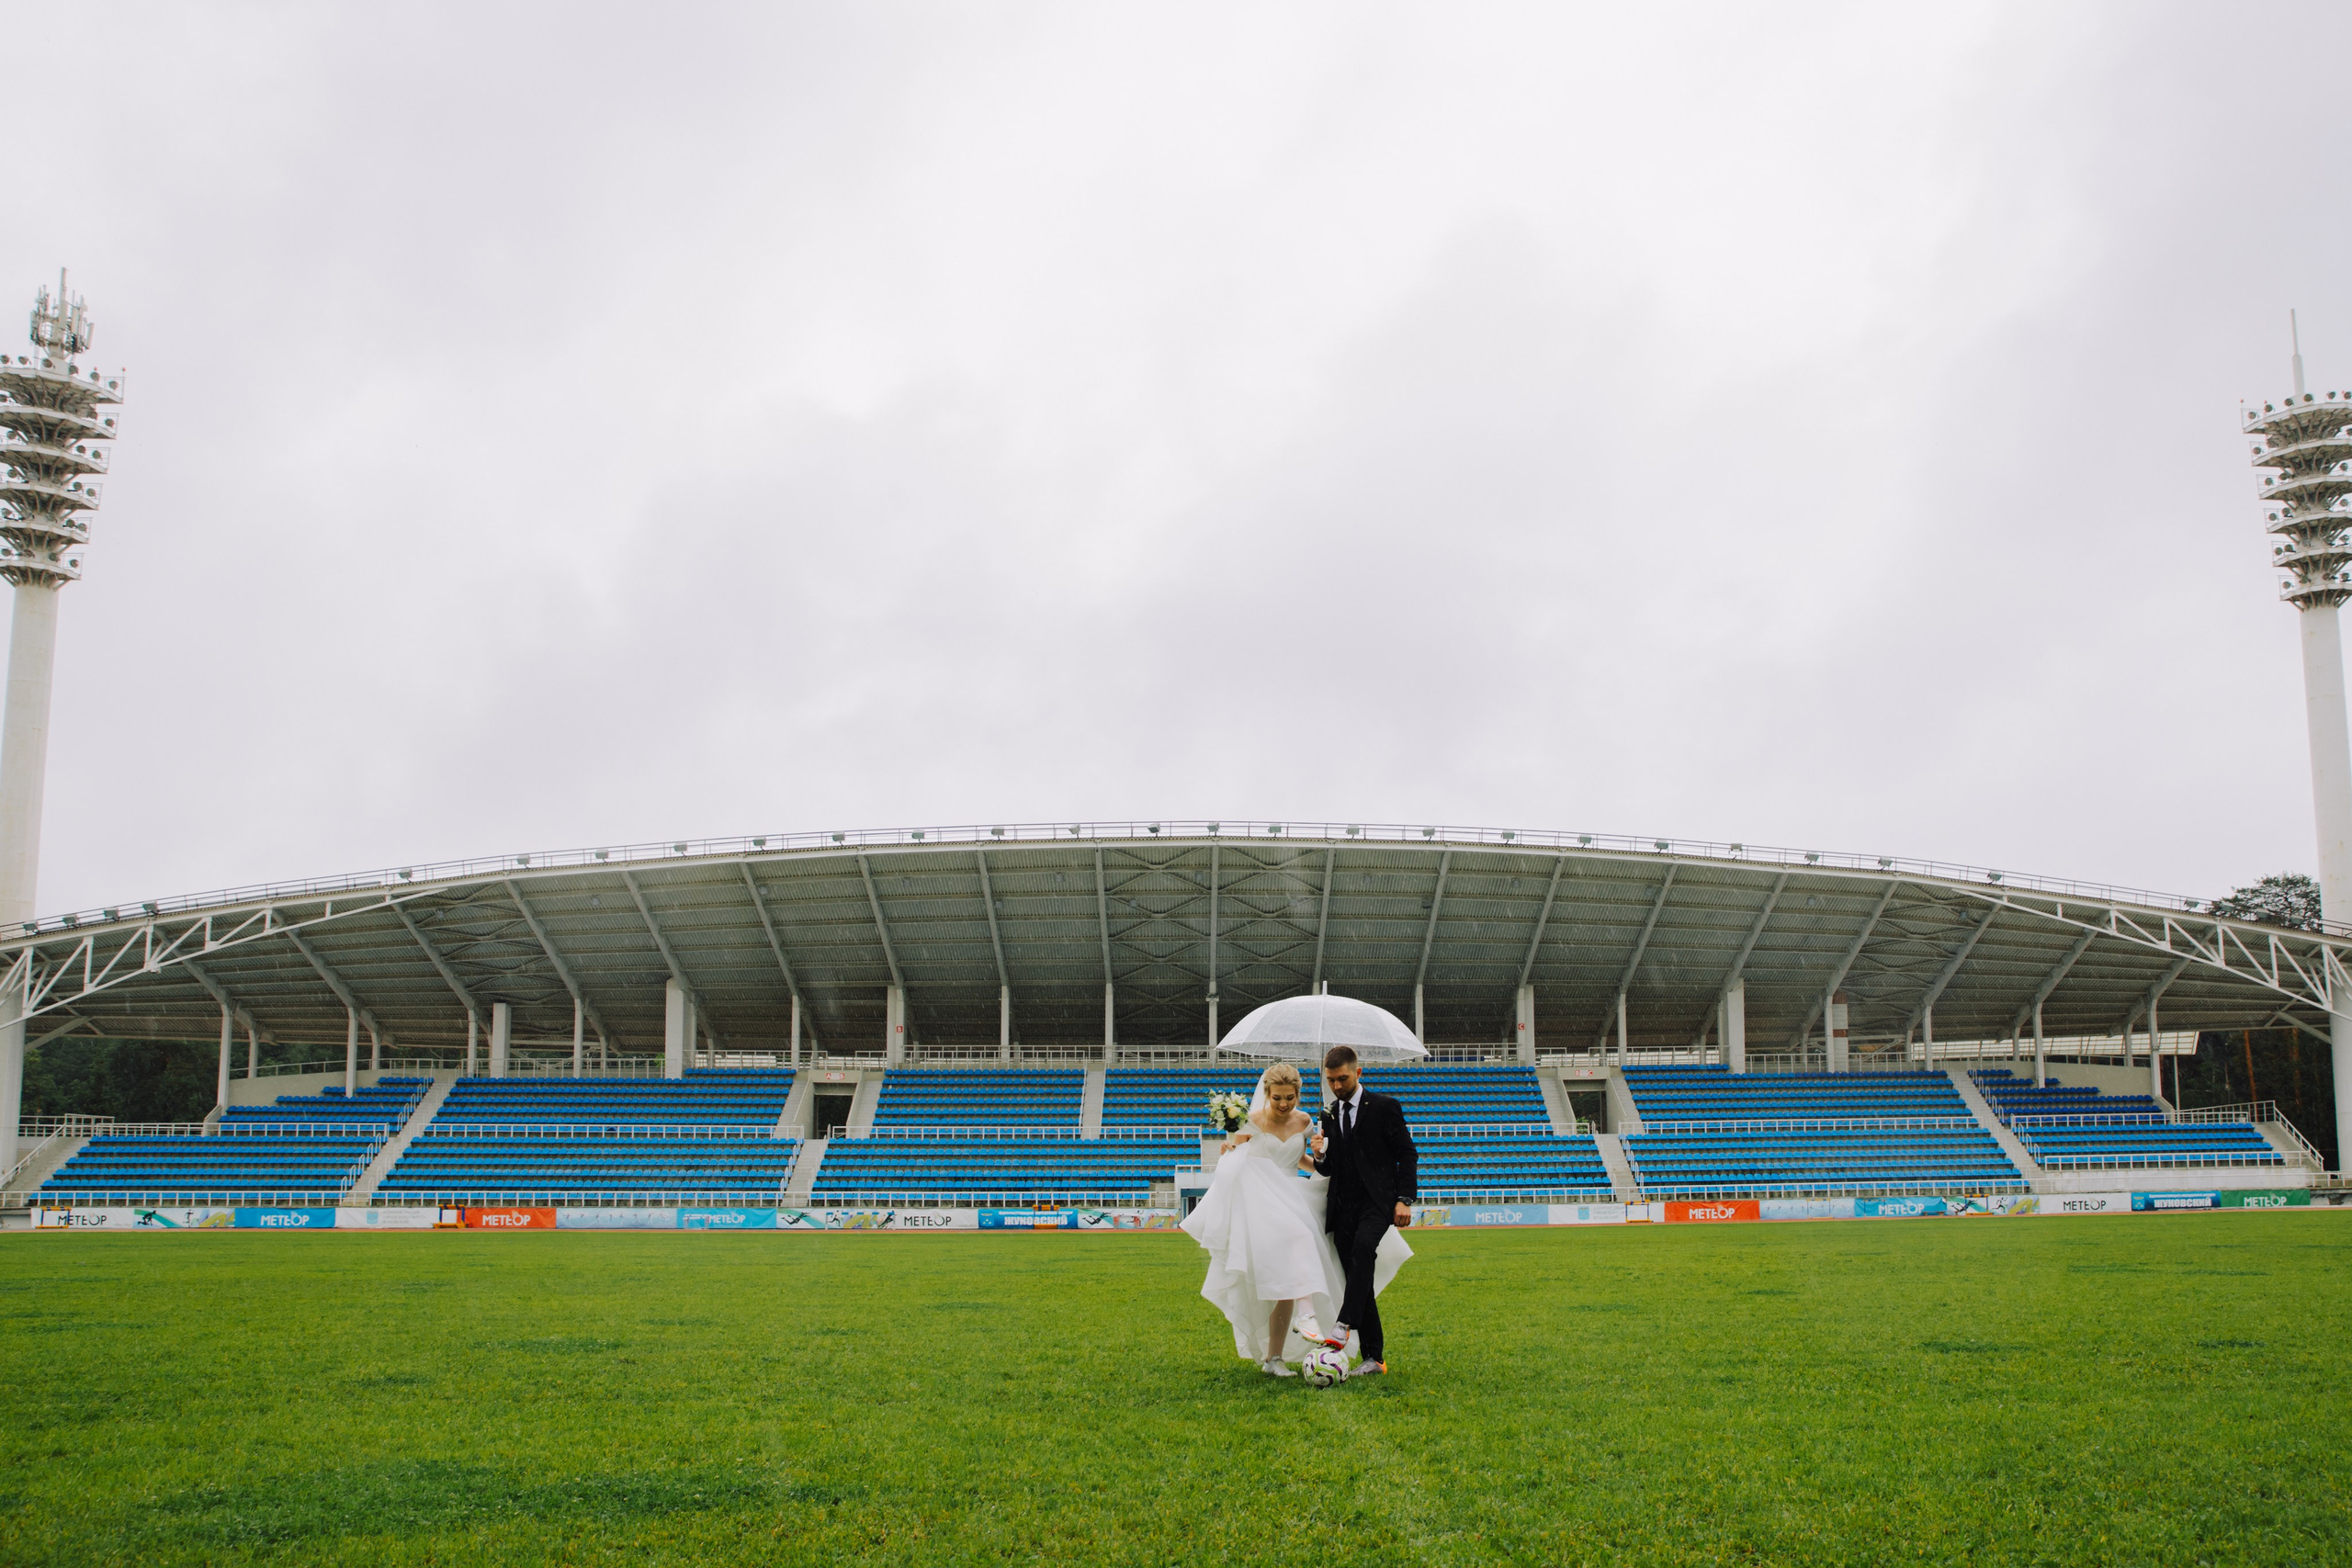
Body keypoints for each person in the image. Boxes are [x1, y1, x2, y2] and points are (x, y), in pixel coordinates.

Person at [1178, 1061, 1409, 1376]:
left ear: (1298, 1095)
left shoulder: (1305, 1121)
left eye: (1290, 1098)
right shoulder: (1250, 1123)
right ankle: (1307, 1313)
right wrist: (1228, 1149)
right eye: (1277, 1098)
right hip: (1262, 1200)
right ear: (1267, 1094)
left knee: (1287, 1278)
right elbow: (1236, 1154)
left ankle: (1274, 1359)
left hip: (1293, 1195)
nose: (1285, 1105)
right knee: (1301, 1237)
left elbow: (1304, 1162)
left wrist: (1321, 1158)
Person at [1302, 1043, 1417, 1375]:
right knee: (1358, 1279)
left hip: (1377, 1201)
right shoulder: (1328, 1113)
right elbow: (1328, 1170)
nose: (1337, 1086)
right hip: (1341, 1205)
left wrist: (1403, 1199)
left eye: (1343, 1078)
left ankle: (1343, 1324)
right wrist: (1321, 1154)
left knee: (1366, 1248)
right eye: (1331, 1080)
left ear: (1358, 1072)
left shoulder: (1384, 1107)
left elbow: (1407, 1154)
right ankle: (1374, 1358)